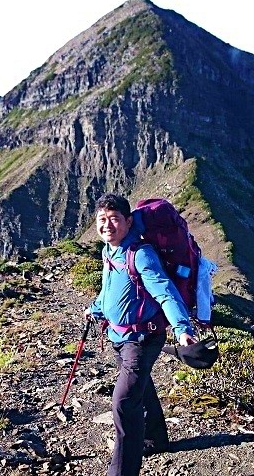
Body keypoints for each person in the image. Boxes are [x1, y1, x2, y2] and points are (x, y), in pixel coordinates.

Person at [85, 193, 196, 476]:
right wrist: (97, 308)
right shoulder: (109, 250)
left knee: (123, 403)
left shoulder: (141, 254)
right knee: (140, 388)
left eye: (114, 219)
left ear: (128, 221)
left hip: (142, 339)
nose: (107, 225)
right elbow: (111, 287)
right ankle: (155, 439)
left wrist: (183, 330)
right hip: (119, 337)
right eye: (102, 219)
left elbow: (165, 292)